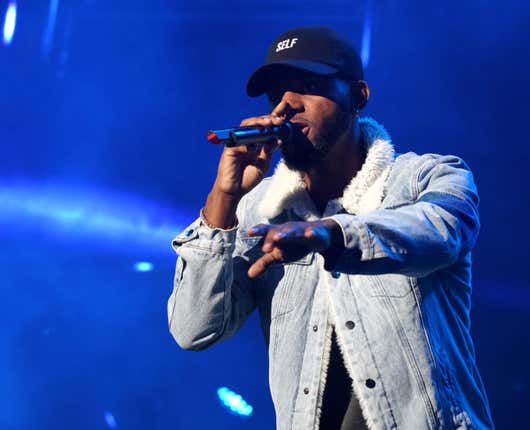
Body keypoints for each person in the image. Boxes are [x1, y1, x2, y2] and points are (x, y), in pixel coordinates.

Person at [167, 26, 494, 429]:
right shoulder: (259, 209)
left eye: (307, 85)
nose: (285, 106)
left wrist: (330, 233)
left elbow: (443, 232)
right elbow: (193, 330)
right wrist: (224, 196)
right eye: (276, 96)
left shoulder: (428, 177)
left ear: (358, 97)